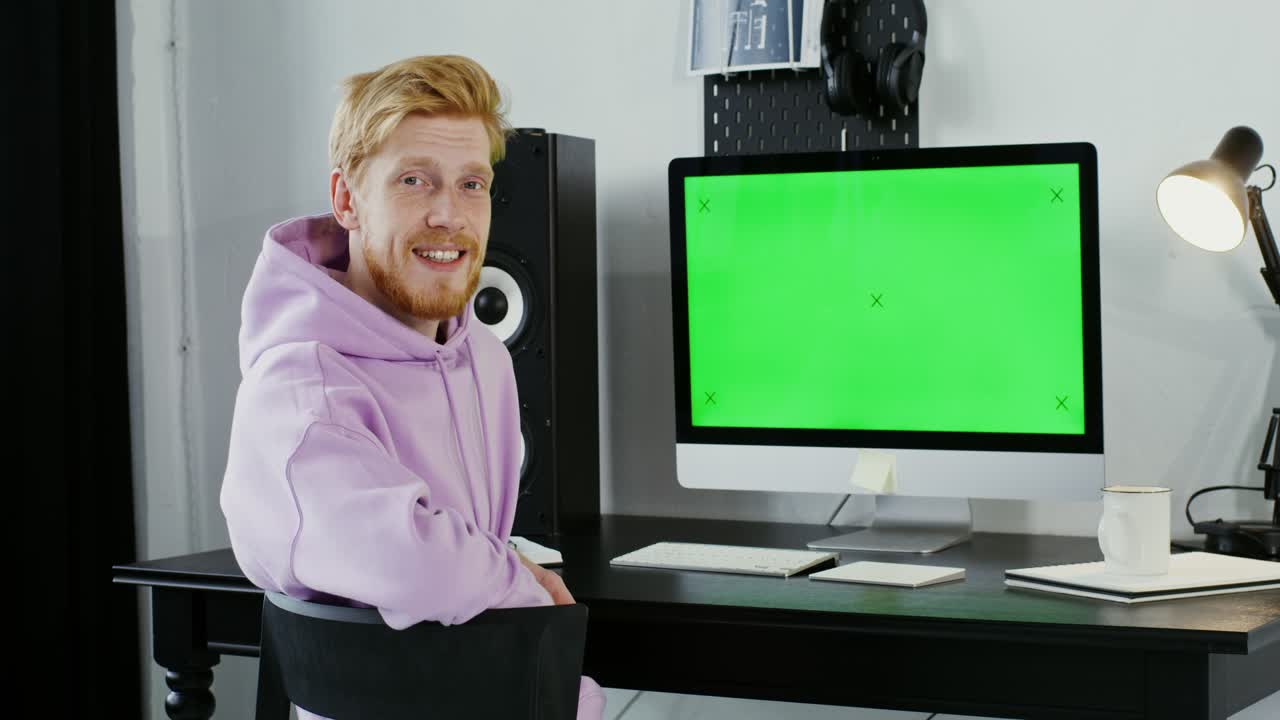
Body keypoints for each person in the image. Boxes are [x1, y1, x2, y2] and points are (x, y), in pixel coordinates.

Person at [220, 54, 605, 720]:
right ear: (347, 200)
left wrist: (510, 572)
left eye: (471, 184)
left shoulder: (484, 357)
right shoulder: (298, 392)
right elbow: (414, 566)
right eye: (414, 181)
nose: (449, 216)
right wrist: (524, 586)